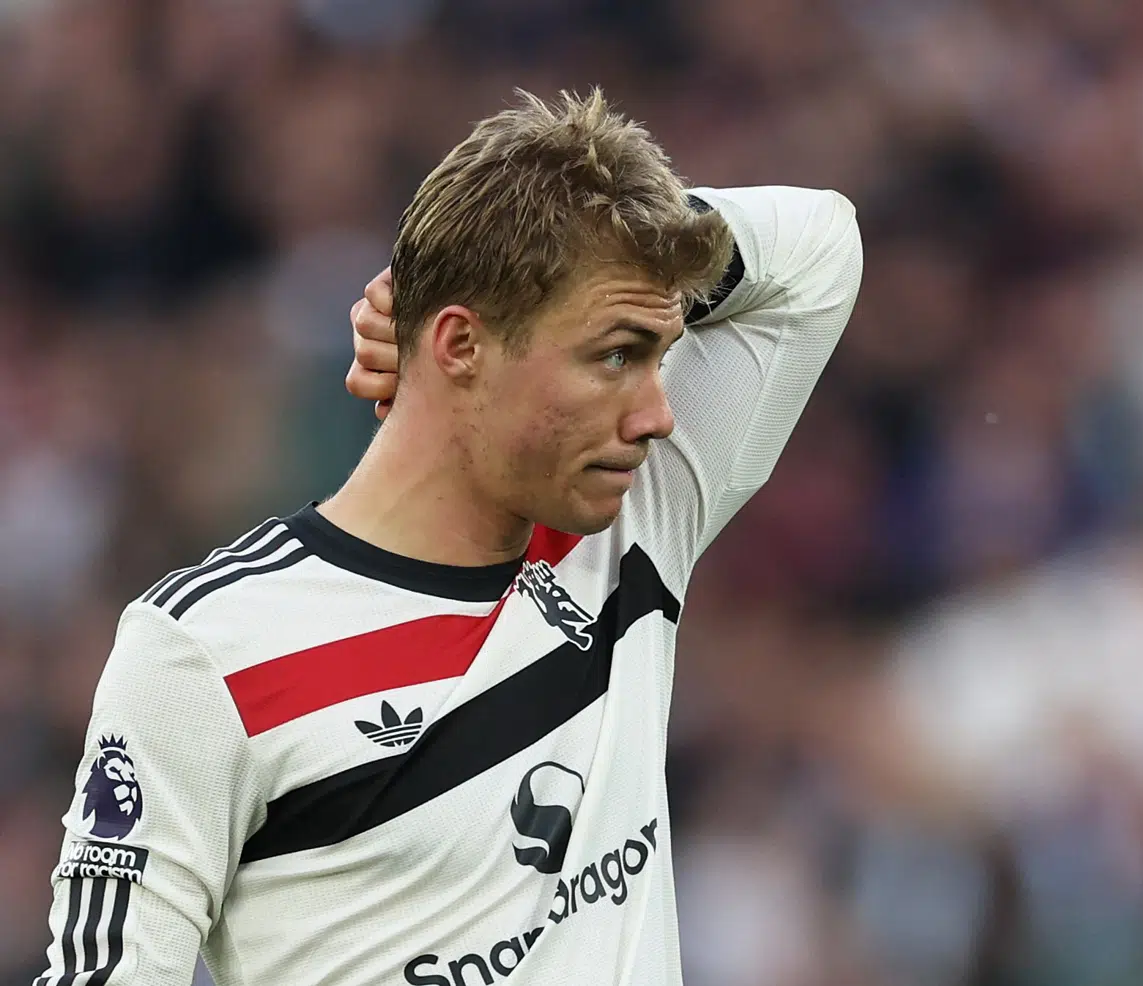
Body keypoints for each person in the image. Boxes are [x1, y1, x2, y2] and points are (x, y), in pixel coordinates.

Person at [33, 89, 862, 986]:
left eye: (661, 355)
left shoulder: (630, 524)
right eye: (616, 354)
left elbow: (821, 246)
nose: (660, 413)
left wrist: (630, 243)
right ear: (461, 346)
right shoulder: (205, 650)